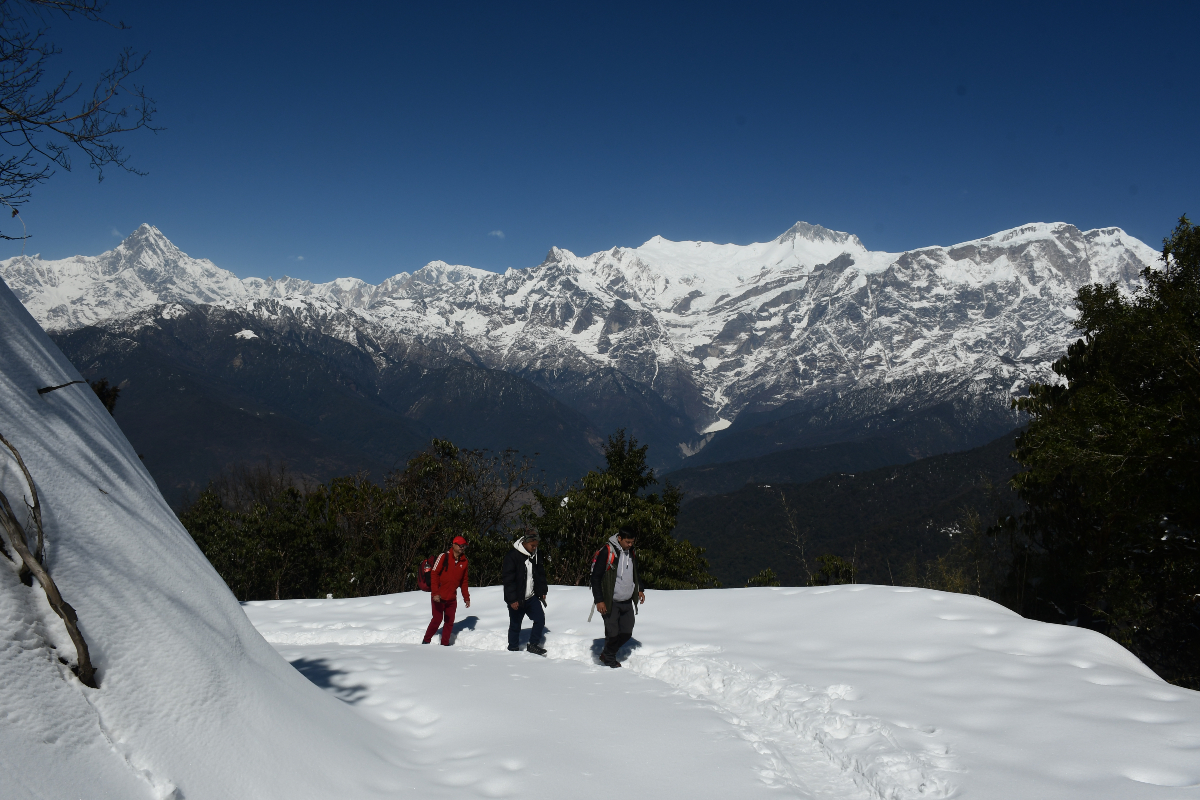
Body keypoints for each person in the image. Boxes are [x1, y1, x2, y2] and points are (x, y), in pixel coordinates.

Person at [591, 526, 645, 668]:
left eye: (632, 542)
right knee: (612, 633)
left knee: (626, 632)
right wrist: (599, 600)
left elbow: (635, 572)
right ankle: (609, 660)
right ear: (619, 538)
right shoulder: (607, 552)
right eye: (627, 542)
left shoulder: (631, 551)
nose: (630, 545)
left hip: (627, 600)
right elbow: (595, 578)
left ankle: (607, 653)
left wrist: (640, 589)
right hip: (610, 601)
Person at [501, 530, 548, 655]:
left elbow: (540, 574)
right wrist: (512, 599)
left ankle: (533, 645)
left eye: (536, 545)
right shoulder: (512, 556)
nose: (534, 548)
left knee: (540, 619)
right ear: (525, 542)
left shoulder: (536, 554)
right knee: (515, 625)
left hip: (531, 597)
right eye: (532, 545)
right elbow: (508, 579)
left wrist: (542, 590)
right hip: (517, 598)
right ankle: (513, 649)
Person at [423, 535, 471, 646]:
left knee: (449, 622)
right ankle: (426, 641)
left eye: (464, 546)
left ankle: (444, 645)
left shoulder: (464, 562)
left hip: (451, 598)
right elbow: (434, 574)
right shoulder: (444, 557)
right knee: (437, 620)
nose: (462, 548)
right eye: (460, 545)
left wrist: (466, 598)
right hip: (439, 596)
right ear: (453, 545)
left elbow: (464, 581)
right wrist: (435, 593)